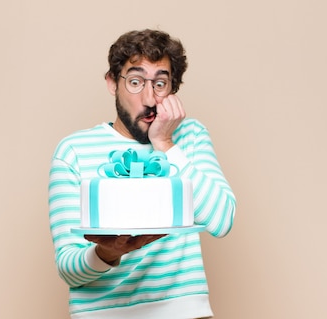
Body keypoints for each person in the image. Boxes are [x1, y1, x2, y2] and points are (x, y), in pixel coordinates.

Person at [48, 29, 236, 319]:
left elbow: (221, 221)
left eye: (160, 83)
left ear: (172, 89)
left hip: (184, 312)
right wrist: (108, 253)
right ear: (113, 83)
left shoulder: (189, 136)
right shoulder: (73, 150)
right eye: (135, 82)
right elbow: (68, 268)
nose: (149, 98)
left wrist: (165, 144)